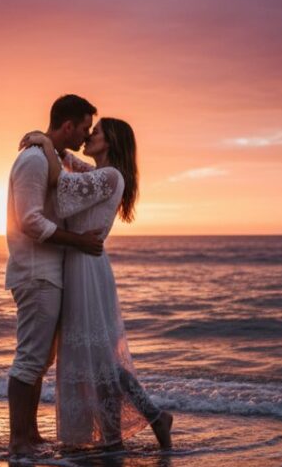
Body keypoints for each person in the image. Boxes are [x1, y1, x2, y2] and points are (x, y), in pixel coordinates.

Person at [20, 118, 173, 449]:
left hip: (87, 268)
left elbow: (61, 193)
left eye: (98, 132)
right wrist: (46, 140)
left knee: (101, 358)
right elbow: (68, 163)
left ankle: (122, 433)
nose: (90, 135)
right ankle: (144, 422)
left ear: (112, 141)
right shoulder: (97, 173)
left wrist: (46, 146)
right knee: (97, 357)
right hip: (79, 265)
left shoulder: (110, 176)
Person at [5, 94, 104, 456]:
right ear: (67, 125)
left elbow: (93, 175)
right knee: (30, 358)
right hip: (35, 273)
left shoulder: (56, 157)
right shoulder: (33, 160)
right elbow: (28, 220)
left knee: (41, 360)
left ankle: (30, 436)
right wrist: (78, 241)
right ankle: (18, 440)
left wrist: (48, 141)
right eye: (83, 128)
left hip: (49, 273)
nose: (85, 135)